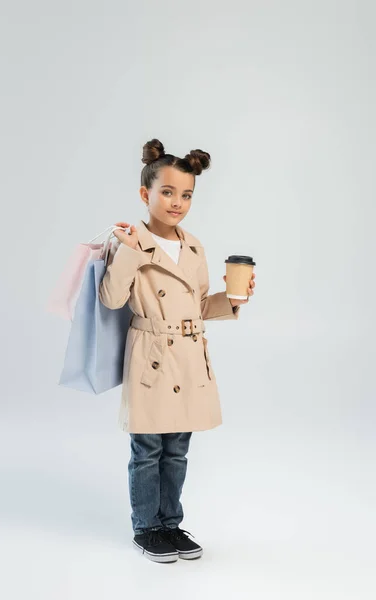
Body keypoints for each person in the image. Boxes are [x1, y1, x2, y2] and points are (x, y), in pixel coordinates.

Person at [99, 138, 256, 563]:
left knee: (178, 448)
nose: (177, 203)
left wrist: (234, 299)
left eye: (186, 194)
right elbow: (112, 299)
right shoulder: (130, 242)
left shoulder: (194, 246)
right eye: (167, 192)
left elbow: (201, 305)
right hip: (150, 354)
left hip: (187, 357)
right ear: (145, 194)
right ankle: (146, 527)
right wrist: (129, 253)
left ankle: (171, 524)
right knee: (147, 448)